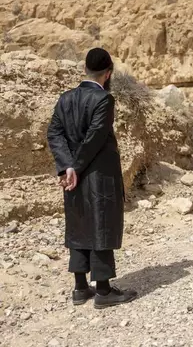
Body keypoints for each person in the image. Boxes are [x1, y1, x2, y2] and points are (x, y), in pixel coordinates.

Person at [47, 48, 137, 309]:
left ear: (85, 69)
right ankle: (104, 291)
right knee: (101, 225)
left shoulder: (65, 99)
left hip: (73, 176)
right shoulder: (103, 100)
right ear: (108, 73)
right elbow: (96, 137)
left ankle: (79, 287)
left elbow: (54, 134)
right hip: (97, 174)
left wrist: (67, 167)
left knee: (78, 224)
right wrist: (76, 166)